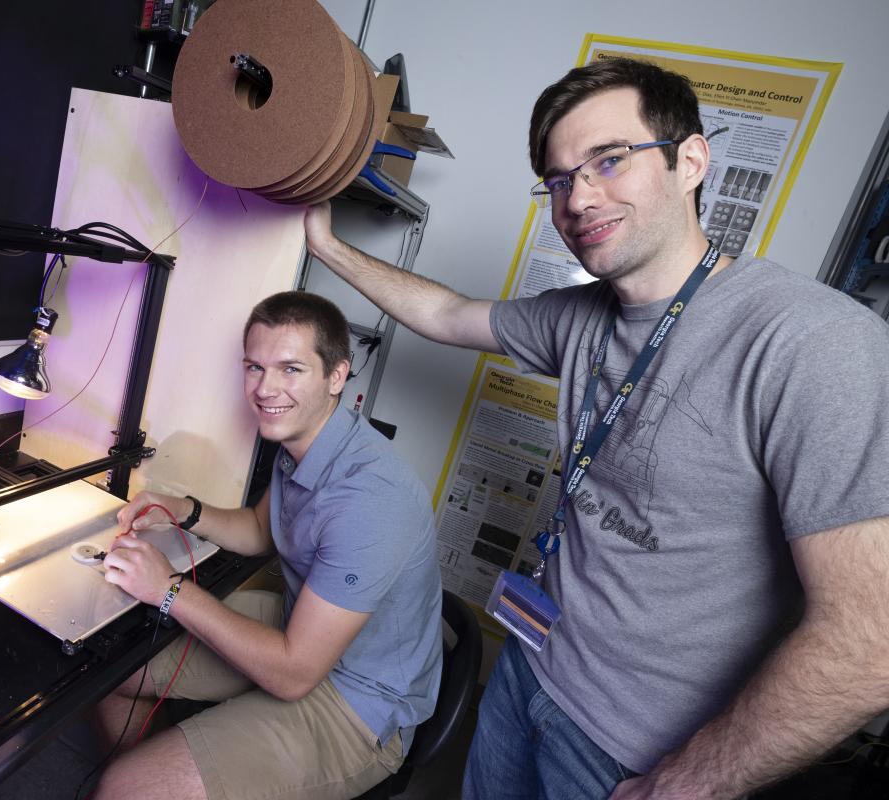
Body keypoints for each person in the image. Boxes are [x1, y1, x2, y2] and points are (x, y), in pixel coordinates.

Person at [303, 56, 889, 799]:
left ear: (691, 162)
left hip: (635, 756)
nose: (578, 196)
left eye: (609, 160)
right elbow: (449, 315)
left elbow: (872, 643)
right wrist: (326, 246)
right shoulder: (581, 317)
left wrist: (682, 785)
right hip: (527, 673)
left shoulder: (812, 343)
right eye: (557, 179)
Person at [92, 290, 443, 800]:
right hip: (300, 631)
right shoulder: (304, 441)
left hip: (357, 699)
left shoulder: (370, 499)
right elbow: (261, 531)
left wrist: (167, 589)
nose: (265, 388)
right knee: (112, 669)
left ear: (337, 375)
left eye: (291, 369)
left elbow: (293, 674)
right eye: (254, 367)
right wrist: (180, 508)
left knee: (127, 785)